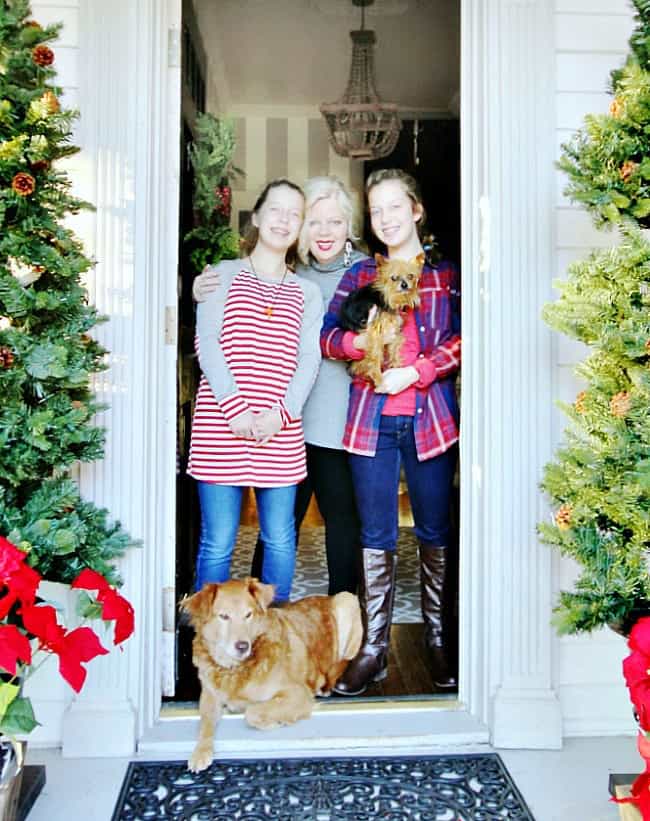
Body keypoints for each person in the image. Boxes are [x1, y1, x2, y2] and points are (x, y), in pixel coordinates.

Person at [320, 168, 461, 695]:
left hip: (431, 421)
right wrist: (362, 346)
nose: (385, 218)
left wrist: (418, 371)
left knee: (434, 532)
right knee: (375, 536)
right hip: (370, 423)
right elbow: (327, 338)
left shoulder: (445, 275)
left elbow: (467, 338)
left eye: (394, 207)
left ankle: (438, 639)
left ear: (416, 210)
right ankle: (374, 648)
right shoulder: (359, 274)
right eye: (376, 210)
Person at [194, 176, 364, 595]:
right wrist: (235, 409)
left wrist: (281, 413)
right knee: (219, 541)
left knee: (285, 537)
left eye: (295, 214)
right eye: (277, 210)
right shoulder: (224, 276)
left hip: (295, 427)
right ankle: (203, 632)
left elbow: (309, 357)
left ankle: (281, 629)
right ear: (256, 217)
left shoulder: (325, 286)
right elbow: (208, 342)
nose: (285, 221)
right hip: (225, 427)